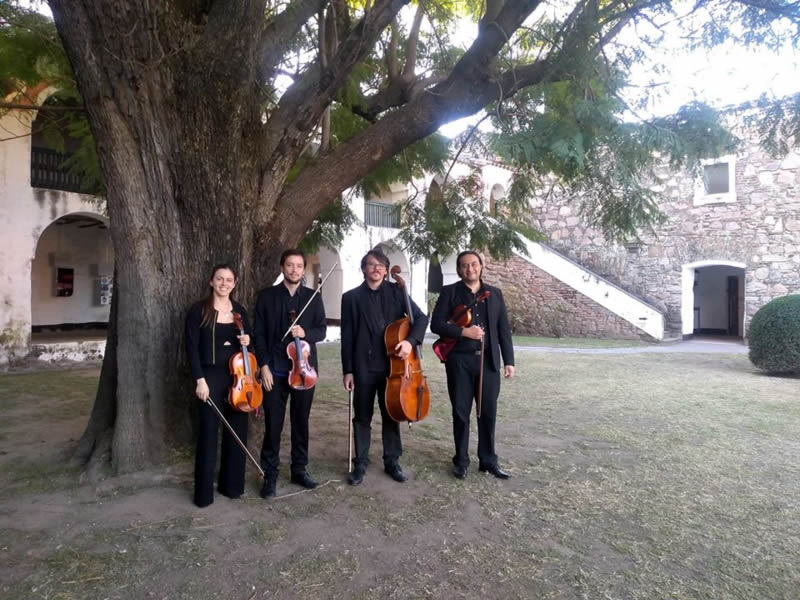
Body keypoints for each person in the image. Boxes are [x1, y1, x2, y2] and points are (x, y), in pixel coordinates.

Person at [341, 248, 429, 485]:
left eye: (381, 265)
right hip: (363, 366)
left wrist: (410, 343)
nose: (377, 269)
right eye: (372, 265)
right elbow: (347, 336)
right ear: (364, 269)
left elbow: (421, 319)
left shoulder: (397, 291)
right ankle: (360, 463)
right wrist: (348, 370)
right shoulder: (350, 298)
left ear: (387, 270)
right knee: (362, 416)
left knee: (392, 413)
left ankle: (392, 461)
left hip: (393, 367)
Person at [430, 250, 515, 480]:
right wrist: (463, 331)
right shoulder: (450, 292)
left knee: (488, 413)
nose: (470, 269)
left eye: (474, 264)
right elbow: (436, 324)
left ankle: (488, 460)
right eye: (465, 266)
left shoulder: (494, 294)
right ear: (459, 269)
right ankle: (461, 460)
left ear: (481, 266)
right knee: (461, 412)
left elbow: (503, 330)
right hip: (459, 362)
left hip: (488, 363)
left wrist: (509, 361)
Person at [254, 249, 327, 498]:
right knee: (273, 425)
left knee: (301, 423)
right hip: (274, 369)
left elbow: (322, 330)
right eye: (289, 265)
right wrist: (263, 365)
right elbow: (259, 334)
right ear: (282, 267)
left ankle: (299, 470)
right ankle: (270, 476)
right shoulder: (266, 297)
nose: (294, 270)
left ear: (302, 268)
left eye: (298, 266)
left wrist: (305, 333)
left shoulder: (312, 297)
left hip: (303, 370)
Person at [185, 264, 252, 507]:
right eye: (220, 279)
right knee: (208, 436)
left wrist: (247, 340)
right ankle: (204, 495)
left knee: (237, 434)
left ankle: (232, 486)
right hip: (209, 378)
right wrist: (199, 380)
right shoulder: (199, 310)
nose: (224, 283)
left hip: (238, 378)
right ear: (212, 281)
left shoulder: (240, 312)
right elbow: (191, 348)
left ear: (234, 284)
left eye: (229, 280)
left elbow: (250, 349)